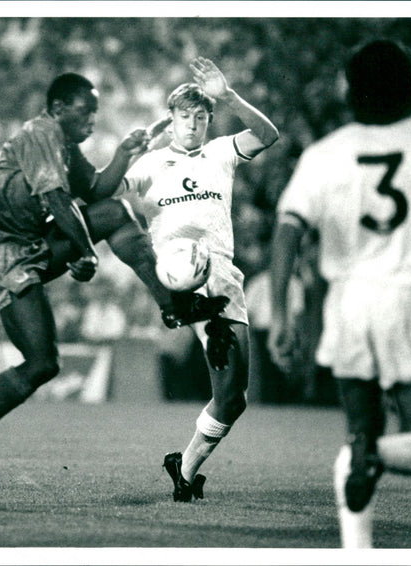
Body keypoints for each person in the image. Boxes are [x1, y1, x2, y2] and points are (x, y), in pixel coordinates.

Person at [0, 72, 227, 490]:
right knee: (42, 363)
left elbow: (93, 188)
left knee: (114, 212)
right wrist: (85, 251)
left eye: (95, 111)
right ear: (58, 110)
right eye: (84, 110)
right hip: (0, 256)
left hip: (30, 245)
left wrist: (125, 152)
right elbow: (55, 199)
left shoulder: (64, 145)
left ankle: (174, 305)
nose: (92, 119)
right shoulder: (41, 134)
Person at [268, 40, 411, 547]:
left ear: (350, 93)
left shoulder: (324, 154)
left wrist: (281, 315)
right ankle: (376, 458)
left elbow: (286, 233)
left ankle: (359, 544)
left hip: (348, 304)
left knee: (359, 432)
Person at [106, 57, 279, 501]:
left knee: (234, 398)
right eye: (186, 117)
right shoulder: (150, 163)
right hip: (183, 279)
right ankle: (183, 477)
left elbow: (268, 135)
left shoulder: (220, 152)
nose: (194, 124)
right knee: (224, 381)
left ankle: (183, 468)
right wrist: (125, 154)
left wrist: (229, 96)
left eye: (202, 117)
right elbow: (105, 194)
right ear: (173, 119)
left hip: (224, 273)